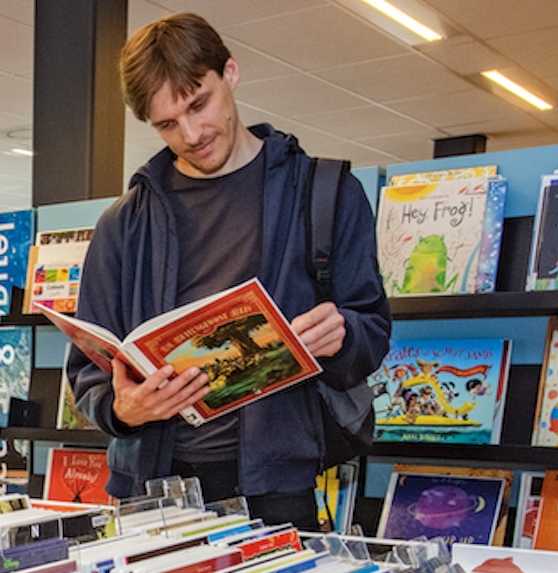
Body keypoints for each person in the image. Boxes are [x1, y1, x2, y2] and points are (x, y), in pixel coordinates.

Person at [63, 13, 391, 531]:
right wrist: (123, 409)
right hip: (153, 490)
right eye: (166, 124)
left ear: (230, 73)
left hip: (278, 487)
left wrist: (342, 334)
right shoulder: (122, 225)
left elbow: (371, 333)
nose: (191, 134)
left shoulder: (324, 194)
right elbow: (87, 372)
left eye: (199, 104)